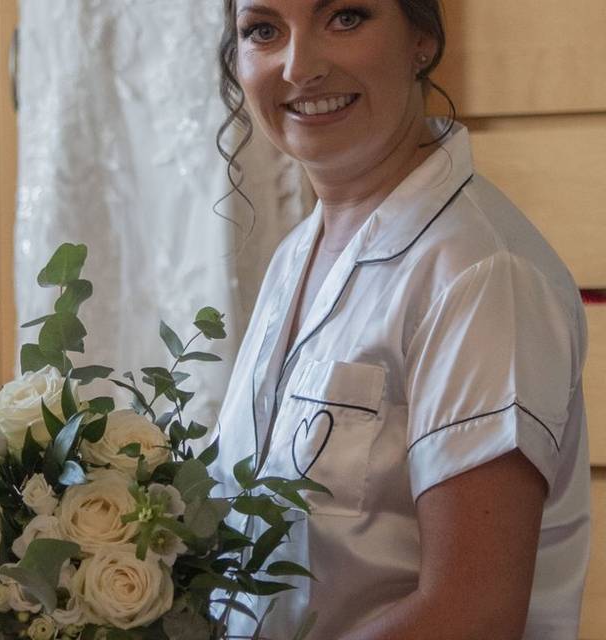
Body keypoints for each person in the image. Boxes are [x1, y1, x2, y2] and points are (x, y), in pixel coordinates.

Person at [213, 1, 591, 638]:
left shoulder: (479, 274)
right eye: (264, 30)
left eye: (346, 17)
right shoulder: (295, 256)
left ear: (422, 39)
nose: (299, 67)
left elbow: (472, 613)